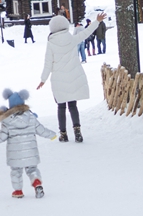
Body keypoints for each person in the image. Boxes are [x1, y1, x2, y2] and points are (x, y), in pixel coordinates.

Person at [38, 10, 105, 142]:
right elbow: (86, 33)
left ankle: (63, 134)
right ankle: (77, 131)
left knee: (61, 107)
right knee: (73, 106)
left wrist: (43, 79)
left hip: (58, 80)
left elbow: (48, 64)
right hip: (73, 77)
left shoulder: (51, 43)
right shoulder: (71, 38)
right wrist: (97, 21)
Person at [0, 88, 56, 198]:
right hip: (30, 151)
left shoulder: (7, 121)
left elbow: (2, 136)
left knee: (16, 171)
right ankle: (36, 182)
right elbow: (41, 130)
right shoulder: (31, 117)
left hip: (15, 154)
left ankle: (18, 191)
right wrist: (52, 135)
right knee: (32, 169)